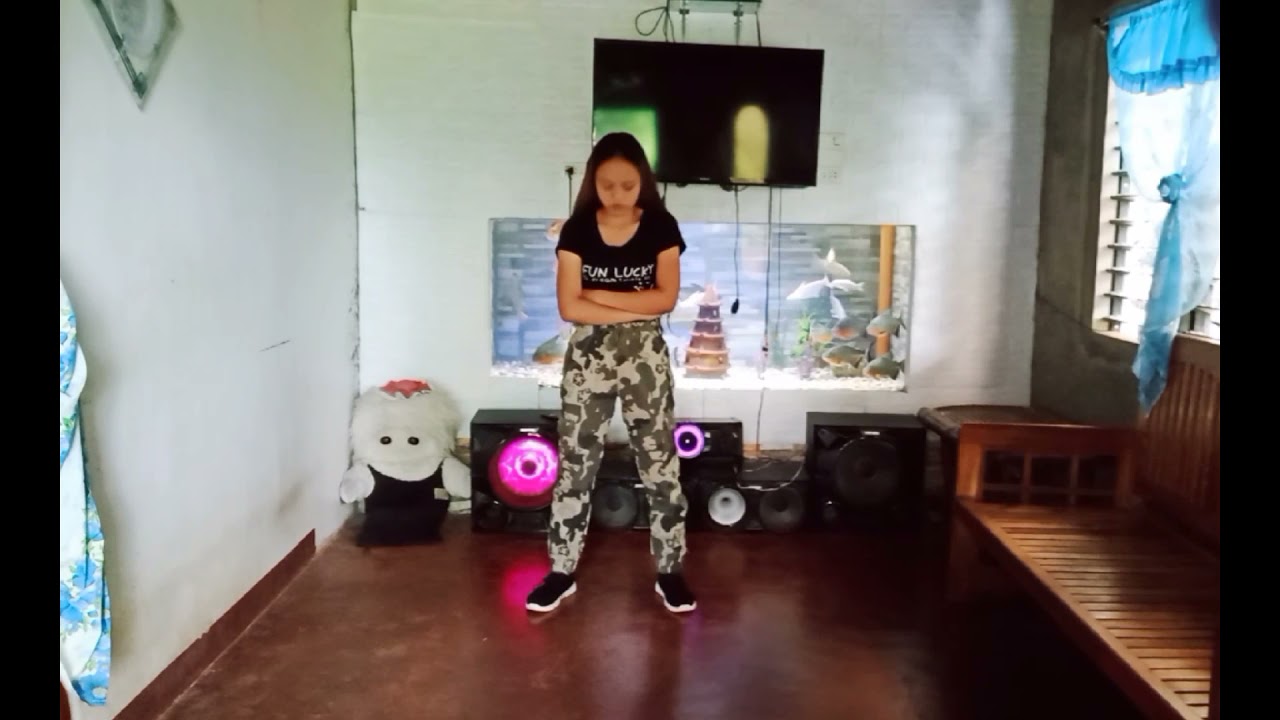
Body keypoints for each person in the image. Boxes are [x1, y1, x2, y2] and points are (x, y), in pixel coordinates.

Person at [525, 132, 697, 614]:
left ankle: (670, 571)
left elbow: (665, 300)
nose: (617, 194)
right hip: (588, 359)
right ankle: (561, 571)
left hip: (645, 360)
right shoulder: (577, 230)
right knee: (576, 463)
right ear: (592, 183)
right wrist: (634, 304)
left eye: (627, 185)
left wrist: (596, 297)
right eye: (607, 185)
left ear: (643, 181)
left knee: (660, 464)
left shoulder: (661, 226)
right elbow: (568, 307)